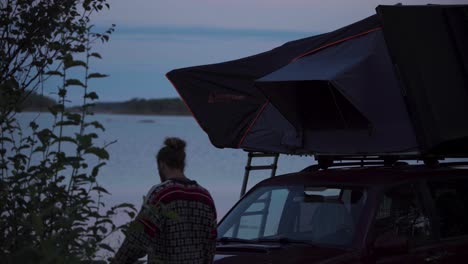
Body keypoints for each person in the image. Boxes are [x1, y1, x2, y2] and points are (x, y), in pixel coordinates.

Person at [112, 137, 217, 264]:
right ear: (182, 164)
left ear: (161, 164)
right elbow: (210, 245)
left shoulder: (161, 194)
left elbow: (136, 240)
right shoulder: (205, 197)